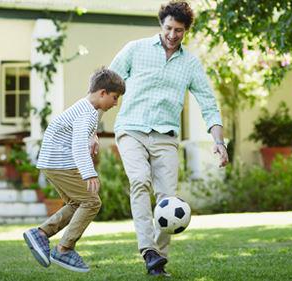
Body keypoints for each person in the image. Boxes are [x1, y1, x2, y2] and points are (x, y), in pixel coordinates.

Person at [108, 0, 229, 277]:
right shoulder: (135, 50)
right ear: (161, 24)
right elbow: (107, 85)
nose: (173, 35)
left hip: (166, 137)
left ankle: (158, 261)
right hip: (131, 130)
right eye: (169, 28)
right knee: (139, 181)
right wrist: (90, 128)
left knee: (167, 198)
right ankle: (147, 249)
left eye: (180, 30)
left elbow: (208, 104)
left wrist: (219, 143)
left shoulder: (190, 63)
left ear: (186, 30)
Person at [23, 67, 125, 273]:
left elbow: (81, 130)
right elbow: (78, 145)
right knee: (92, 201)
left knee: (77, 202)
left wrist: (93, 136)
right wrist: (89, 172)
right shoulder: (87, 113)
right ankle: (64, 248)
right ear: (102, 93)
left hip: (52, 162)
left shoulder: (87, 108)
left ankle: (41, 234)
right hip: (60, 162)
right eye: (114, 98)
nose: (116, 103)